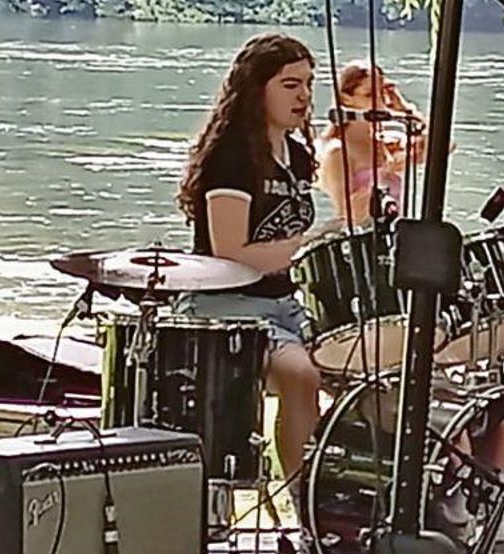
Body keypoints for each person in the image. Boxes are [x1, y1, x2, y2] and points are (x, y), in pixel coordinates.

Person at [176, 32, 329, 482]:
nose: (304, 96)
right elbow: (230, 254)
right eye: (290, 84)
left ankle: (350, 490)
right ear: (255, 89)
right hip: (228, 306)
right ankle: (304, 499)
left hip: (286, 303)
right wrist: (309, 244)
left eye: (309, 84)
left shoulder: (297, 157)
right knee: (301, 375)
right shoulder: (232, 158)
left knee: (362, 360)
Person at [316, 60, 427, 225]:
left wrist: (404, 108)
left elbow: (443, 147)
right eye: (369, 95)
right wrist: (383, 176)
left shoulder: (386, 142)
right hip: (363, 236)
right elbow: (346, 214)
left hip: (396, 234)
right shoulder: (338, 151)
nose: (379, 102)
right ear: (346, 99)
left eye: (382, 93)